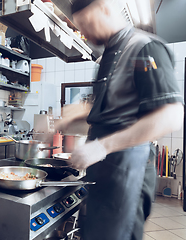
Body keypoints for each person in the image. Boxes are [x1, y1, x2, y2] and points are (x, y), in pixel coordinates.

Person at [58, 0, 184, 239]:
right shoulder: (108, 55)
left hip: (127, 173)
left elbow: (171, 115)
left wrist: (102, 146)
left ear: (105, 8)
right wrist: (79, 115)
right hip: (104, 174)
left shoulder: (144, 48)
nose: (83, 33)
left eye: (85, 24)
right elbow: (118, 110)